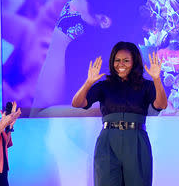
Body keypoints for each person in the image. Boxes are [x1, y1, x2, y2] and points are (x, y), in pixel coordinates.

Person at [32, 0, 173, 116]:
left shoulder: (168, 33)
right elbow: (39, 114)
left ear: (104, 20)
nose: (71, 4)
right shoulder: (72, 26)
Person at [71, 41, 168, 185]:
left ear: (134, 62)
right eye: (117, 60)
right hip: (108, 140)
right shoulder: (104, 85)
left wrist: (156, 79)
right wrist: (89, 82)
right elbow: (77, 103)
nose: (120, 64)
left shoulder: (146, 85)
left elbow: (162, 105)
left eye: (126, 61)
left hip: (136, 140)